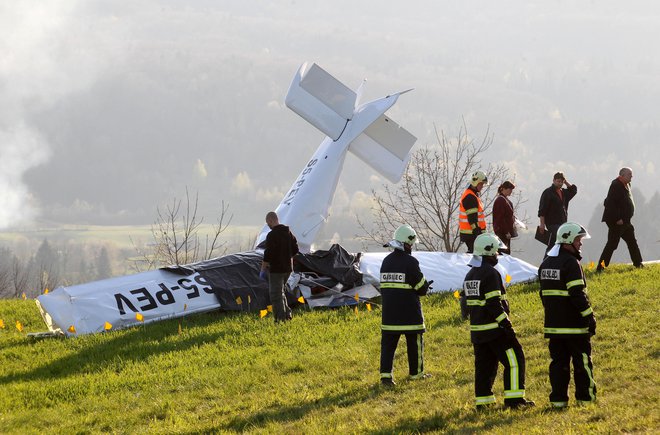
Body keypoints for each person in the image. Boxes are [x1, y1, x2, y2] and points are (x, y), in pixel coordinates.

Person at [463, 233, 534, 409]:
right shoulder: (491, 273)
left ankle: (484, 402)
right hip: (495, 330)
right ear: (488, 252)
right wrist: (506, 324)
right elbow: (494, 304)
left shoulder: (470, 274)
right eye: (496, 252)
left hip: (478, 332)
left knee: (484, 367)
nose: (498, 256)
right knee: (515, 360)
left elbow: (465, 306)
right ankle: (515, 401)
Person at [538, 222, 597, 409]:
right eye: (578, 240)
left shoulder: (545, 263)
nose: (581, 243)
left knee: (558, 365)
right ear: (568, 241)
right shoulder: (571, 263)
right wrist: (590, 317)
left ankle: (558, 401)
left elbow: (543, 295)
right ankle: (586, 400)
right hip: (575, 326)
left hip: (553, 327)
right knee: (582, 363)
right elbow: (577, 293)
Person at [379, 224, 432, 387]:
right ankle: (416, 374)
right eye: (411, 244)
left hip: (389, 314)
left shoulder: (386, 262)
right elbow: (420, 287)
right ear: (407, 244)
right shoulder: (411, 262)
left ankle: (386, 378)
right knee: (415, 344)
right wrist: (425, 286)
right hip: (409, 313)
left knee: (388, 347)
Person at [596, 167, 644, 271]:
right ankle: (601, 267)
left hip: (626, 221)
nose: (632, 176)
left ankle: (638, 263)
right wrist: (617, 218)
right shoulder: (616, 185)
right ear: (622, 175)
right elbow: (609, 203)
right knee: (612, 244)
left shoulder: (627, 184)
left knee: (632, 242)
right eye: (629, 174)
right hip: (617, 222)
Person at [260, 211, 299, 323]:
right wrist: (286, 256)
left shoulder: (272, 235)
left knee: (275, 295)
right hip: (288, 268)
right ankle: (287, 314)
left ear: (272, 220)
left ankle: (280, 319)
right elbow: (296, 249)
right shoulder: (288, 233)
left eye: (268, 223)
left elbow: (268, 254)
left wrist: (263, 268)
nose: (268, 226)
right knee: (280, 291)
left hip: (276, 270)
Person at [538, 172, 577, 251]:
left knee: (553, 244)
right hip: (552, 223)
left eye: (561, 182)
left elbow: (573, 190)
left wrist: (566, 181)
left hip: (562, 223)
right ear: (553, 180)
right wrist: (542, 224)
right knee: (563, 240)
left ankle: (547, 261)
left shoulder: (564, 192)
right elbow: (542, 210)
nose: (560, 183)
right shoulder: (547, 192)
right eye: (558, 181)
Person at [459, 170, 488, 253]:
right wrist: (478, 233)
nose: (482, 186)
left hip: (471, 233)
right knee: (476, 255)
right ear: (475, 183)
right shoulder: (470, 197)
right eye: (481, 184)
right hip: (471, 234)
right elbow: (472, 218)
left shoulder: (472, 195)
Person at [492, 181, 516, 255]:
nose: (511, 191)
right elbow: (500, 218)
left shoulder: (505, 200)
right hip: (502, 233)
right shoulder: (500, 200)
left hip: (505, 233)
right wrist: (506, 232)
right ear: (504, 189)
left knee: (505, 252)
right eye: (510, 189)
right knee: (503, 253)